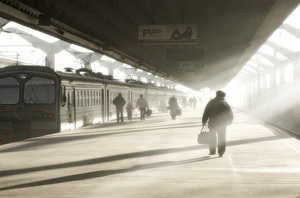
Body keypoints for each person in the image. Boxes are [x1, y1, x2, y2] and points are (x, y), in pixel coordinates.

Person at [202, 90, 233, 157]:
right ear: (223, 96)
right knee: (222, 137)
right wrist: (229, 121)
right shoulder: (225, 103)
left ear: (216, 95)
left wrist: (204, 122)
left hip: (212, 123)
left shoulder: (211, 102)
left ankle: (212, 151)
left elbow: (206, 113)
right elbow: (230, 114)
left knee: (212, 136)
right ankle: (221, 152)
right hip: (222, 123)